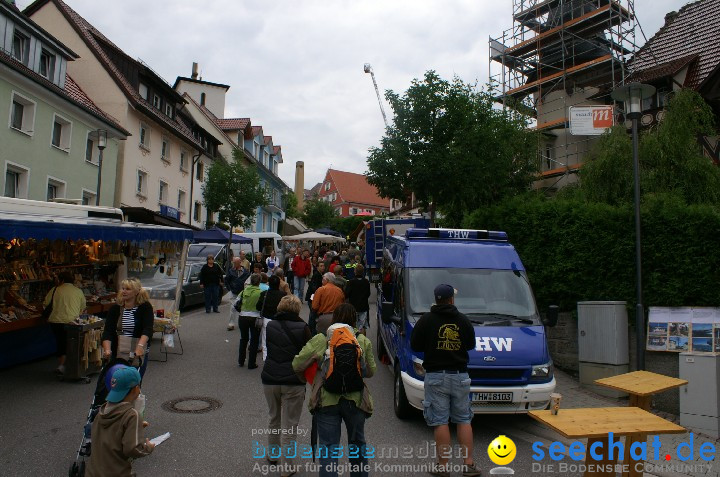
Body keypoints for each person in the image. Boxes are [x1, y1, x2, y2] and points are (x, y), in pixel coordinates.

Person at [292, 304, 376, 477]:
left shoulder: (321, 339)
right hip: (356, 400)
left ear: (334, 319)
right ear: (354, 320)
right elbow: (371, 372)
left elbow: (297, 364)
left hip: (326, 399)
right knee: (357, 443)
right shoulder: (361, 340)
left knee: (329, 447)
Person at [410, 284, 481, 477]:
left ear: (436, 298)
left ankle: (443, 466)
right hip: (460, 375)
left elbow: (415, 344)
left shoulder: (426, 320)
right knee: (464, 419)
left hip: (435, 376)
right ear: (451, 299)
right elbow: (471, 344)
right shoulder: (462, 320)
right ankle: (468, 464)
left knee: (440, 421)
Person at [261, 295, 311, 477]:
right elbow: (308, 353)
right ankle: (287, 466)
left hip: (270, 377)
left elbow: (268, 348)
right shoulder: (303, 328)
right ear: (297, 309)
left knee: (273, 417)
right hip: (293, 380)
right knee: (290, 425)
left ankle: (273, 454)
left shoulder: (271, 325)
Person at [86, 366, 154, 477]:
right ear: (136, 389)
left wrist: (135, 428)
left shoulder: (102, 412)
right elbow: (133, 449)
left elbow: (110, 436)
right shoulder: (131, 415)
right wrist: (148, 447)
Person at [102, 278, 154, 378]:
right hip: (118, 350)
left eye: (128, 289)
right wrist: (107, 350)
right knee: (116, 383)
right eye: (123, 288)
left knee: (133, 383)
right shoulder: (115, 309)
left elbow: (147, 329)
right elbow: (108, 331)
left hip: (137, 350)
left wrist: (140, 346)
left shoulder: (145, 307)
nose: (124, 291)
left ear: (137, 291)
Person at [43, 271, 86, 375]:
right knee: (72, 343)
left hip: (56, 321)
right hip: (72, 321)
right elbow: (83, 307)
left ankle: (61, 365)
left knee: (61, 342)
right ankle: (72, 365)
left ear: (61, 280)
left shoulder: (55, 290)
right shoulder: (78, 291)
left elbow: (45, 304)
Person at [257, 275, 287, 362]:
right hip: (279, 320)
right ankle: (278, 356)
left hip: (267, 319)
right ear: (278, 284)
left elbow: (258, 307)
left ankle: (266, 358)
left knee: (265, 340)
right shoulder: (283, 295)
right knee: (279, 339)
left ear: (269, 284)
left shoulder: (264, 294)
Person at [238, 274, 263, 369]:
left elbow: (237, 302)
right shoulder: (260, 292)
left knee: (243, 339)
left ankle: (241, 360)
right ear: (259, 282)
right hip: (255, 317)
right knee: (254, 341)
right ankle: (251, 363)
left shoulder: (244, 291)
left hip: (243, 316)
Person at [344, 264, 371, 335]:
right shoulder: (366, 282)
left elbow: (346, 294)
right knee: (362, 326)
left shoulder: (351, 282)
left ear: (355, 271)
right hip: (364, 306)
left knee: (353, 326)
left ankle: (355, 340)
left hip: (353, 307)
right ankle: (363, 341)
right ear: (363, 272)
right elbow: (368, 294)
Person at [225, 257, 249, 331]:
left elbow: (248, 281)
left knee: (243, 308)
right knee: (233, 308)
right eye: (233, 262)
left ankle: (243, 323)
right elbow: (226, 280)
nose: (234, 264)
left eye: (235, 263)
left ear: (239, 263)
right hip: (234, 292)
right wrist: (230, 289)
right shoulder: (231, 271)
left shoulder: (246, 272)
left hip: (243, 293)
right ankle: (231, 324)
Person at [306, 261, 326, 335]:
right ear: (317, 267)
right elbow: (314, 287)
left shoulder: (320, 275)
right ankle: (311, 331)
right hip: (312, 298)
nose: (323, 267)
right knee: (313, 315)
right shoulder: (317, 275)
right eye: (321, 266)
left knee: (312, 315)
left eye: (323, 266)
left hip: (313, 297)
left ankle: (310, 330)